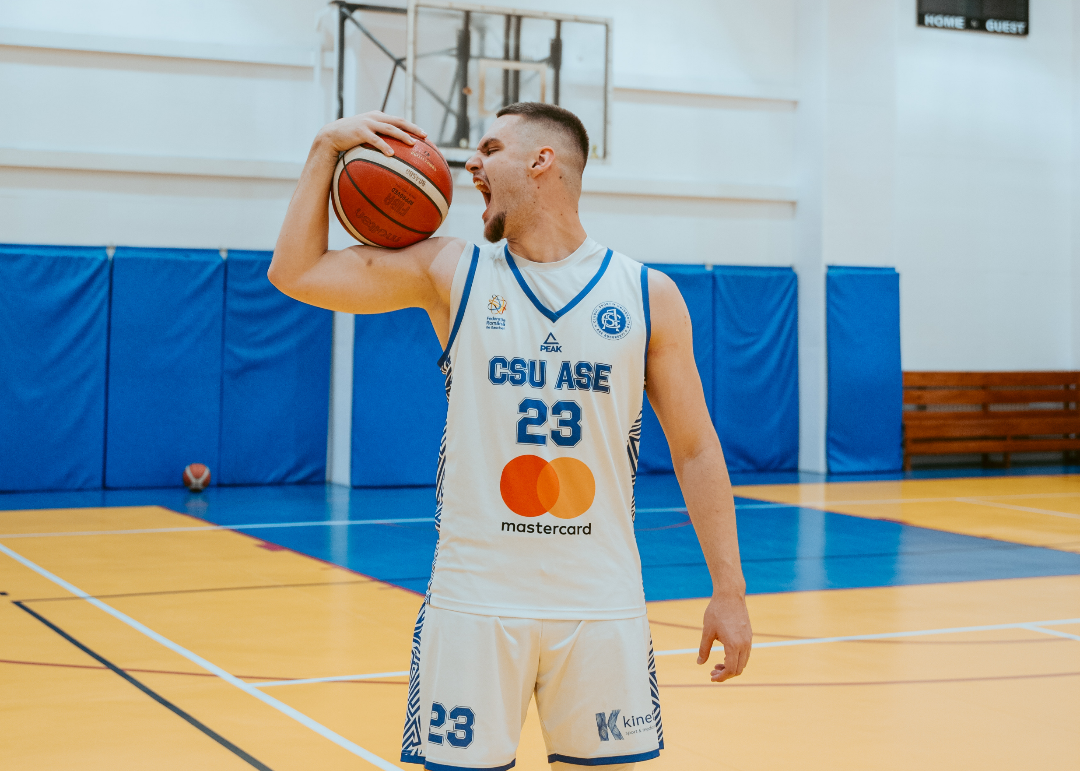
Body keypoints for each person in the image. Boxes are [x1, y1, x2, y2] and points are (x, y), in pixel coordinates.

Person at [269, 103, 752, 771]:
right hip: (474, 601)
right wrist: (326, 146)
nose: (471, 163)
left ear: (542, 161)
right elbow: (296, 272)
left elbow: (696, 449)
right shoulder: (451, 271)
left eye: (491, 149)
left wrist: (729, 590)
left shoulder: (647, 294)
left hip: (600, 604)